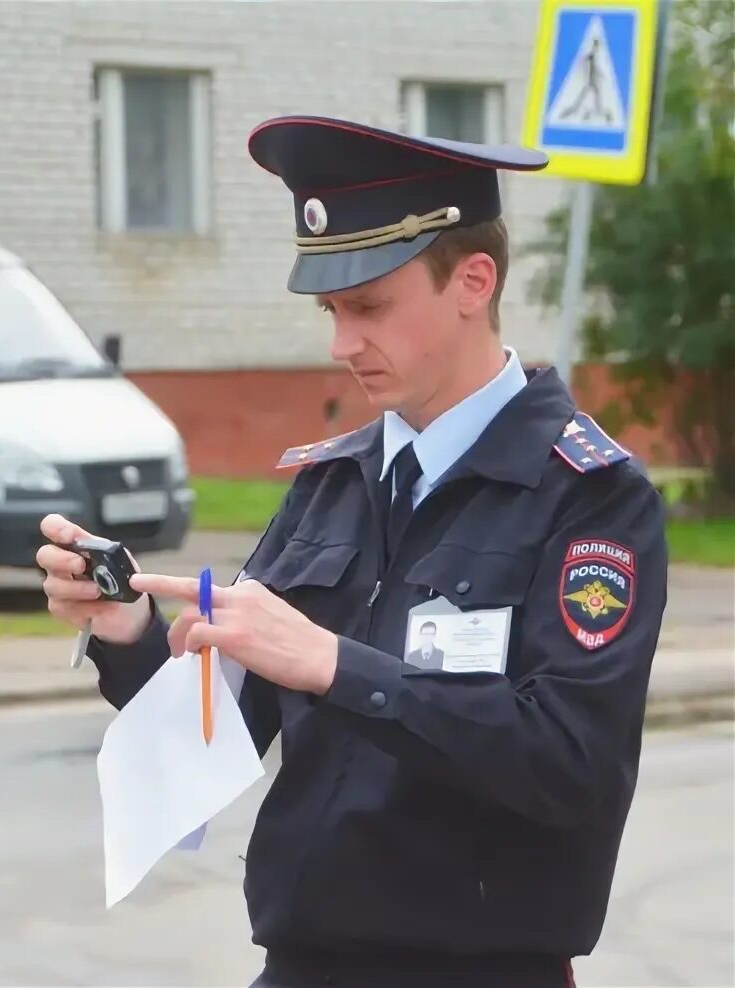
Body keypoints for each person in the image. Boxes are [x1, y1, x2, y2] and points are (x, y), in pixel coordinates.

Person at [37, 115, 668, 988]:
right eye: (331, 310)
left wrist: (338, 665)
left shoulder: (591, 496)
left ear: (473, 281)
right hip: (302, 964)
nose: (341, 345)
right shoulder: (333, 482)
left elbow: (569, 766)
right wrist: (127, 628)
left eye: (369, 307)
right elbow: (225, 727)